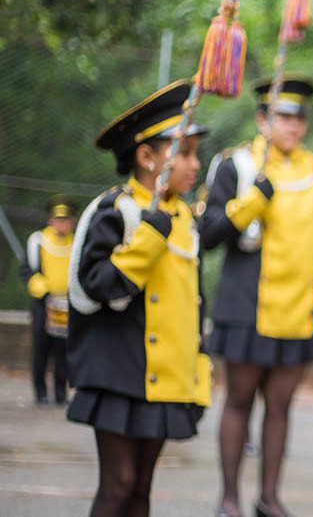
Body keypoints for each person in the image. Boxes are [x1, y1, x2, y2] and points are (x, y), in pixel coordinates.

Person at [66, 79, 211, 517]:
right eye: (183, 152)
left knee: (142, 489)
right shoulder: (119, 210)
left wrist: (197, 373)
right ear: (147, 157)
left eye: (194, 153)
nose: (194, 164)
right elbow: (96, 286)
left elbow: (192, 302)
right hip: (119, 372)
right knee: (118, 485)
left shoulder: (183, 214)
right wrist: (148, 238)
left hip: (165, 378)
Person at [202, 76, 313, 517]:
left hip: (298, 310)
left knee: (280, 408)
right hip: (246, 306)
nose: (294, 127)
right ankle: (228, 498)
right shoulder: (236, 166)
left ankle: (269, 498)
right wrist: (250, 204)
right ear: (262, 119)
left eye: (300, 118)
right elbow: (209, 233)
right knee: (239, 401)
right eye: (284, 117)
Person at [21, 194, 75, 406]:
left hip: (67, 304)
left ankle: (61, 393)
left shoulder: (76, 241)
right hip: (43, 304)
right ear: (51, 221)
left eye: (66, 220)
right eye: (58, 220)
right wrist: (41, 288)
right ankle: (41, 393)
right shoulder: (38, 240)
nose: (62, 225)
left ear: (72, 222)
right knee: (41, 349)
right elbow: (25, 269)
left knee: (63, 350)